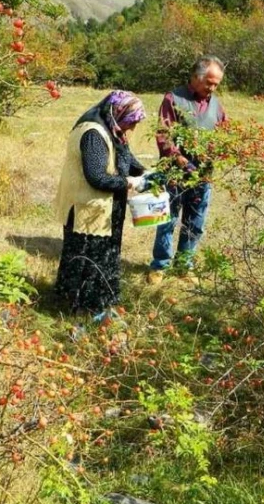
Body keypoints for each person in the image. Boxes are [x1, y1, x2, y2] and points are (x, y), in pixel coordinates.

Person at [53, 91, 148, 319]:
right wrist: (129, 182)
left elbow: (125, 157)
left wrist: (145, 173)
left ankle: (98, 302)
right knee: (89, 257)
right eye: (130, 122)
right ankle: (84, 308)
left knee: (105, 255)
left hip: (103, 206)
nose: (131, 128)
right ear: (119, 112)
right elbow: (96, 176)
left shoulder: (112, 127)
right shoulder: (94, 134)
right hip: (86, 206)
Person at [147, 55, 227, 286]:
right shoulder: (174, 99)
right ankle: (160, 265)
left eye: (216, 84)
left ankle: (184, 265)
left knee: (195, 222)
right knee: (168, 220)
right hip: (175, 173)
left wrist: (222, 150)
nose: (212, 88)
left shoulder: (216, 105)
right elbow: (163, 134)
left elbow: (224, 134)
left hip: (203, 175)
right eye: (209, 82)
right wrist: (179, 158)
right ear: (194, 77)